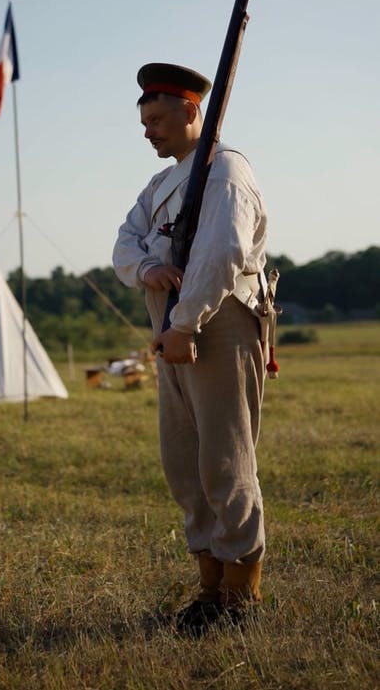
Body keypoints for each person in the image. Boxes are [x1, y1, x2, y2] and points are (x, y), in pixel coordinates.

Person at [112, 62, 268, 635]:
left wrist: (185, 323)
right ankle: (208, 585)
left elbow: (221, 254)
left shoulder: (224, 171)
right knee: (183, 462)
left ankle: (239, 591)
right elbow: (124, 243)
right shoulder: (159, 186)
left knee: (224, 459)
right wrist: (148, 265)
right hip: (172, 328)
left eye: (157, 119)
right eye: (144, 120)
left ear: (192, 111)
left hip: (215, 323)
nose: (148, 130)